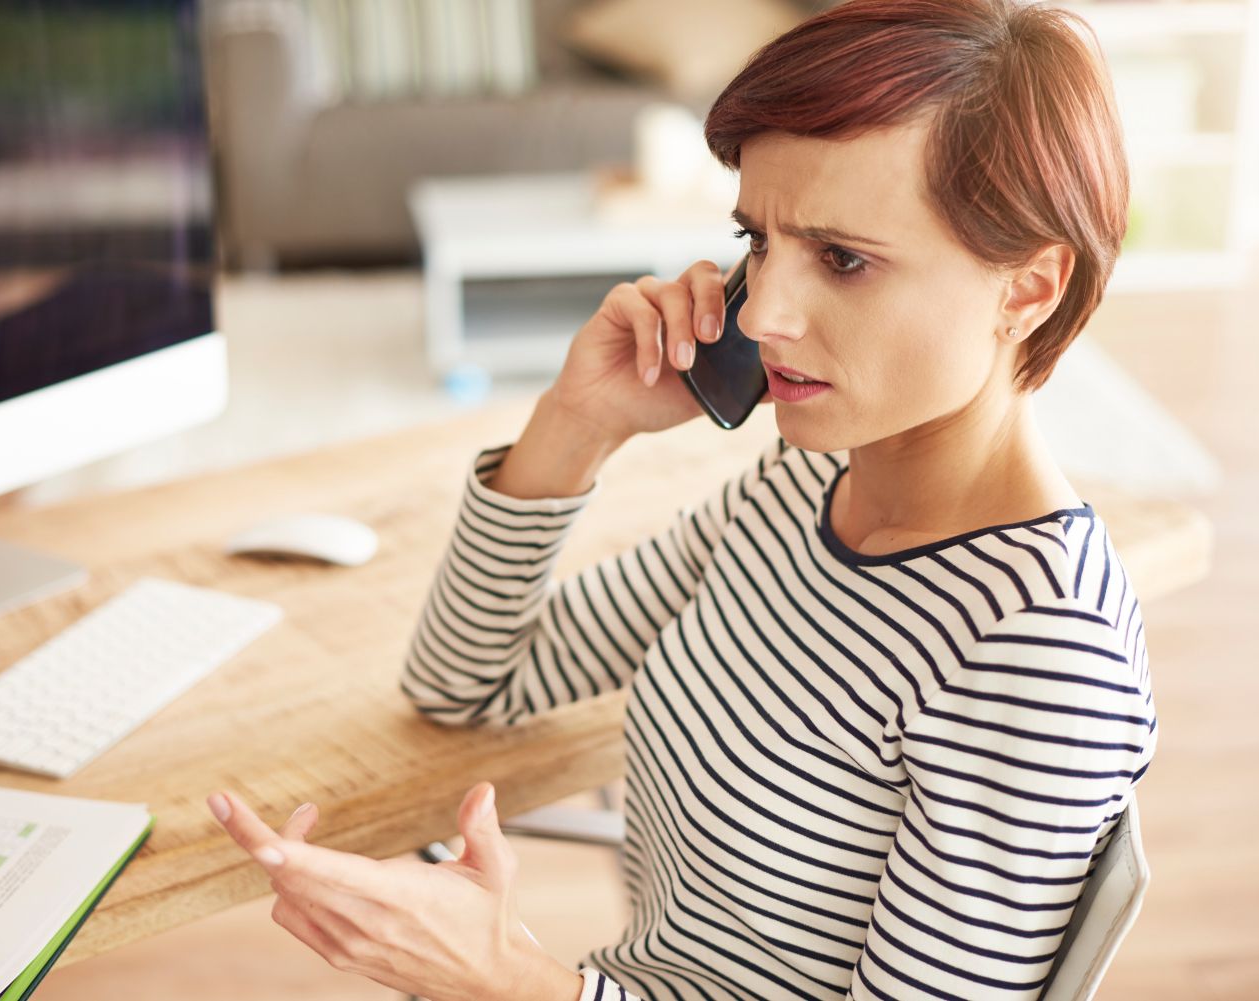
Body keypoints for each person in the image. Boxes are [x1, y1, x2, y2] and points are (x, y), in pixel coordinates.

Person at [207, 0, 1156, 997]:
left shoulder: (1040, 651)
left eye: (843, 258)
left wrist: (501, 976)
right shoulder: (808, 483)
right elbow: (469, 681)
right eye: (760, 240)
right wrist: (578, 422)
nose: (763, 310)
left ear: (1029, 289)